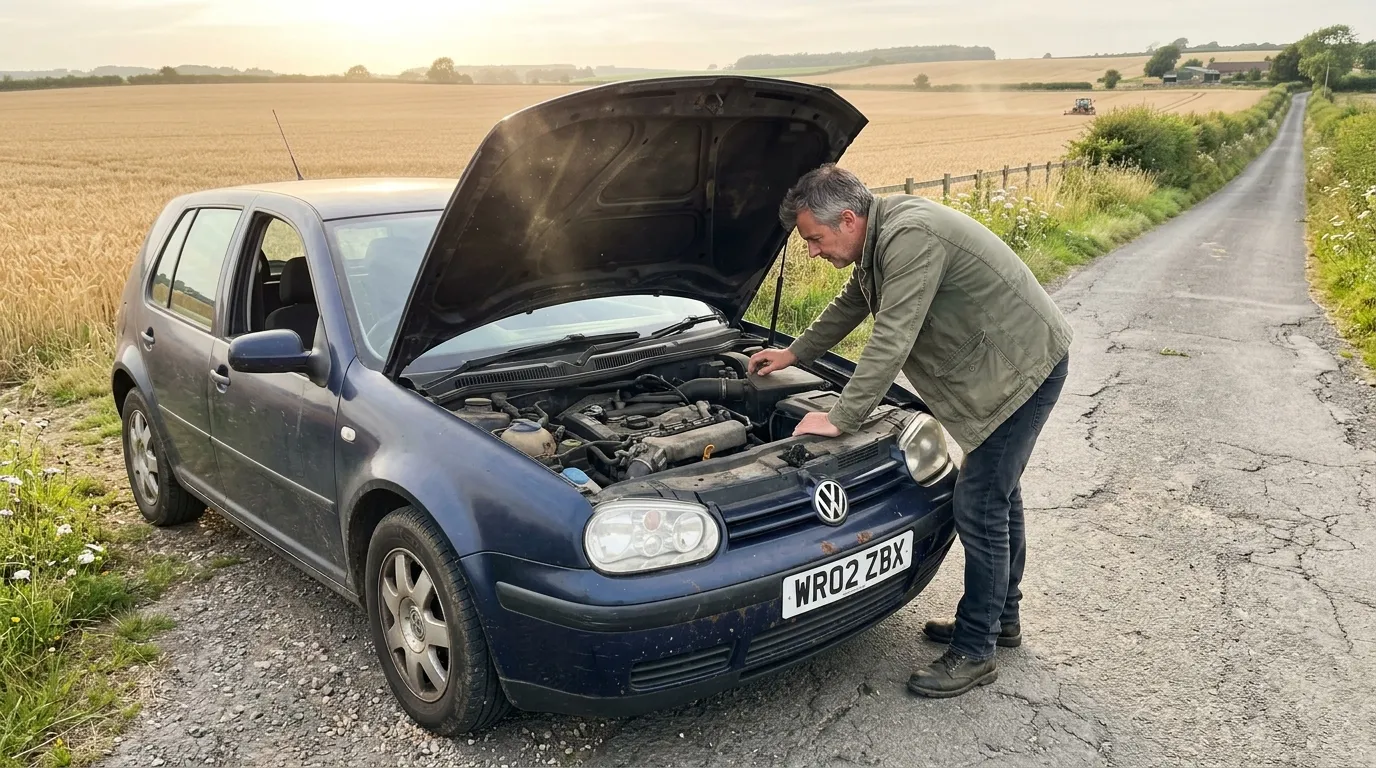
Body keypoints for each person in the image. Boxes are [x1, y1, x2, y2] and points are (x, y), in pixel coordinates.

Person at [748, 164, 1072, 698]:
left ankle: (975, 650)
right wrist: (792, 352)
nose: (811, 251)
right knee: (997, 495)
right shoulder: (878, 239)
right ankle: (1000, 619)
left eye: (813, 239)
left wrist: (841, 416)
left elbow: (891, 337)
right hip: (999, 370)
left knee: (980, 503)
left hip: (1023, 369)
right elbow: (852, 304)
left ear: (848, 219)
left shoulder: (909, 236)